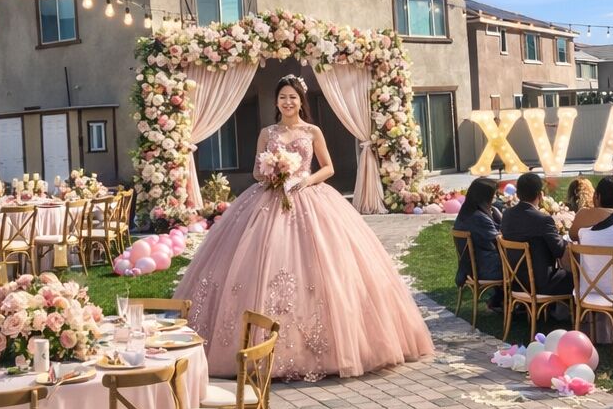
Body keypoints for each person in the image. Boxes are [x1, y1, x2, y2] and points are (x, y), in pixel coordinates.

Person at [175, 75, 434, 381]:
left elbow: (329, 167)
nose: (287, 102)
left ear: (301, 101)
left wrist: (304, 180)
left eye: (293, 97)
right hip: (268, 199)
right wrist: (272, 175)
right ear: (276, 102)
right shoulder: (266, 133)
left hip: (309, 196)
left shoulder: (312, 131)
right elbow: (258, 170)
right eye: (283, 97)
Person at [499, 172, 571, 295]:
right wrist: (565, 239)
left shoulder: (507, 215)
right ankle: (564, 314)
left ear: (518, 194)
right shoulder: (543, 220)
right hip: (542, 283)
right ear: (540, 194)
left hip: (515, 281)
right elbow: (559, 250)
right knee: (576, 276)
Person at [453, 178, 502, 310]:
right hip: (485, 268)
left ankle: (500, 299)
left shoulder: (466, 212)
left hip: (470, 267)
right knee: (522, 264)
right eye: (494, 195)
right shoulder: (479, 217)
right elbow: (500, 240)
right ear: (485, 197)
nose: (495, 199)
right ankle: (509, 302)